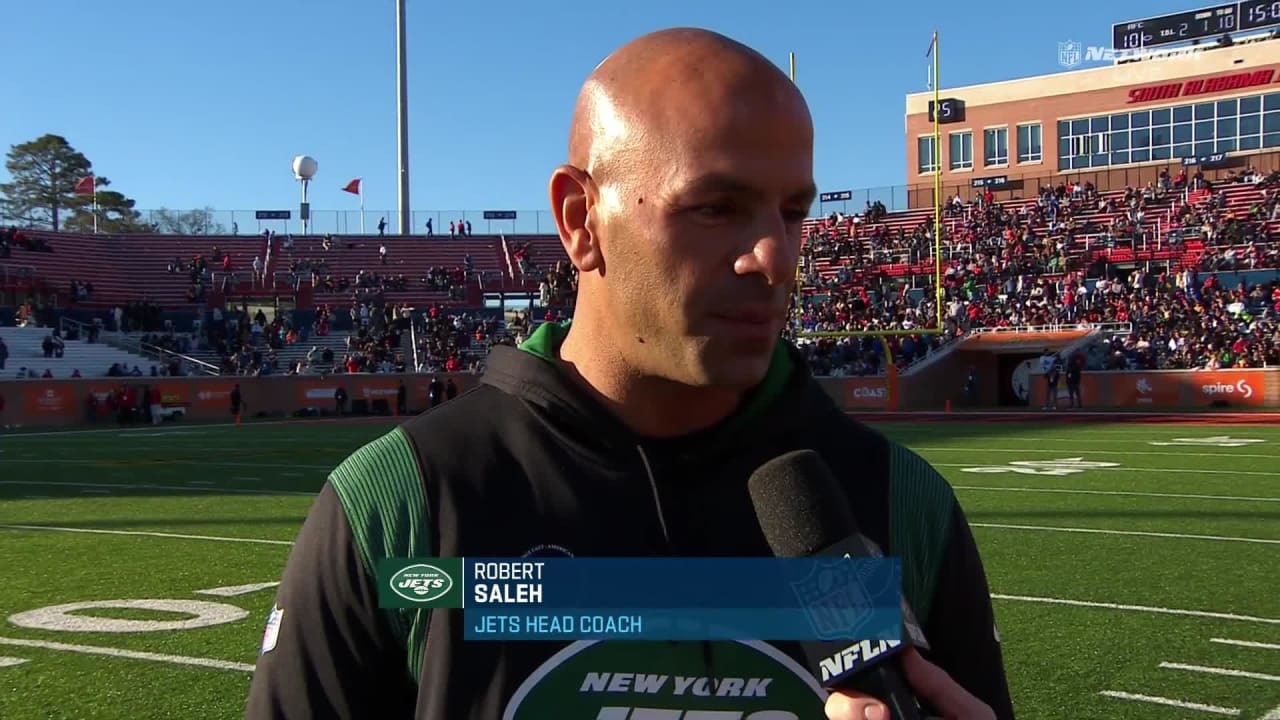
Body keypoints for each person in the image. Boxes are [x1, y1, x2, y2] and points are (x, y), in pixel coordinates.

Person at [244, 27, 1013, 720]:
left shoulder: (899, 503)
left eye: (792, 212)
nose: (775, 257)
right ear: (581, 220)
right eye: (715, 207)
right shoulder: (399, 503)